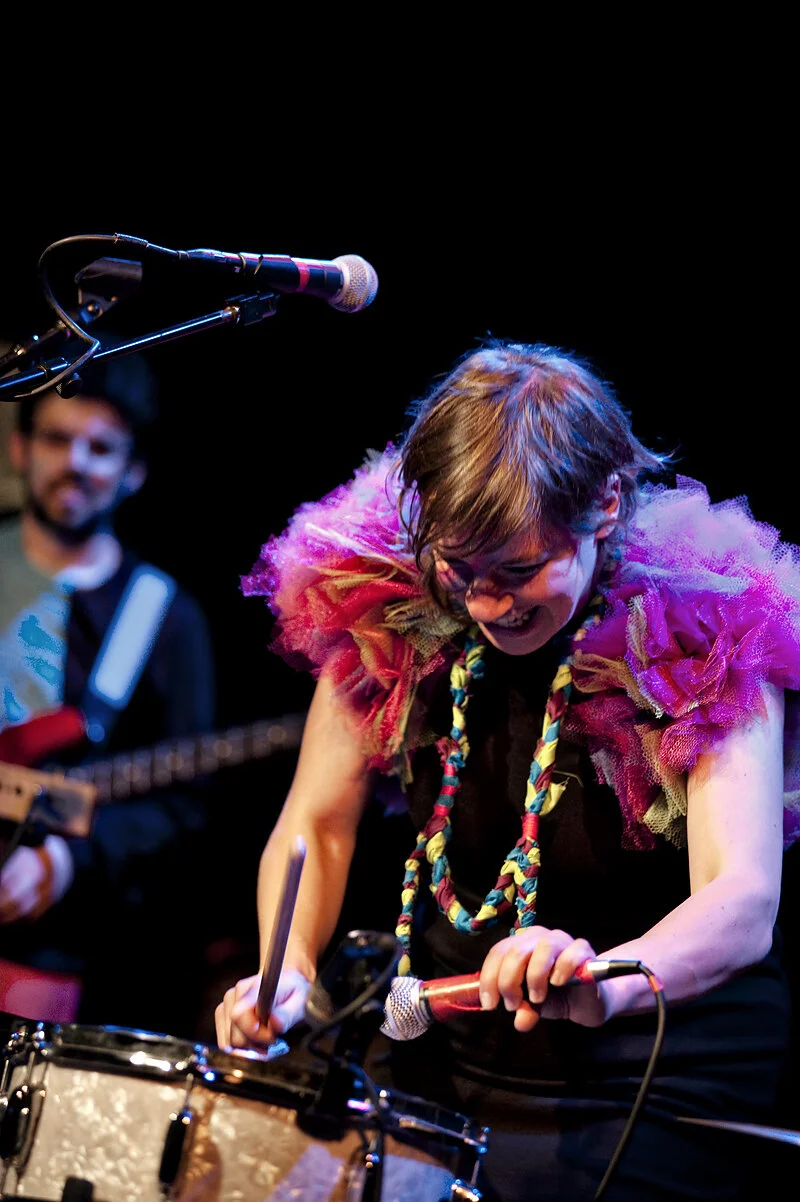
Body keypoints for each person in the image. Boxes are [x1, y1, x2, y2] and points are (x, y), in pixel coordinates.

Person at [215, 340, 800, 1200]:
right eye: (461, 570)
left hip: (652, 1077)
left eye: (520, 571)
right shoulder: (381, 590)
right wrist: (289, 970)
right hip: (442, 1053)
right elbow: (317, 822)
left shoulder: (702, 619)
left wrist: (605, 980)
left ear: (604, 505)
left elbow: (743, 898)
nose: (486, 605)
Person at [0, 339, 216, 1038]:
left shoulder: (165, 617)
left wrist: (65, 861)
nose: (76, 463)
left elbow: (182, 809)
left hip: (60, 958)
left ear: (133, 473)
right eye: (58, 439)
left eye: (102, 448)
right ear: (20, 449)